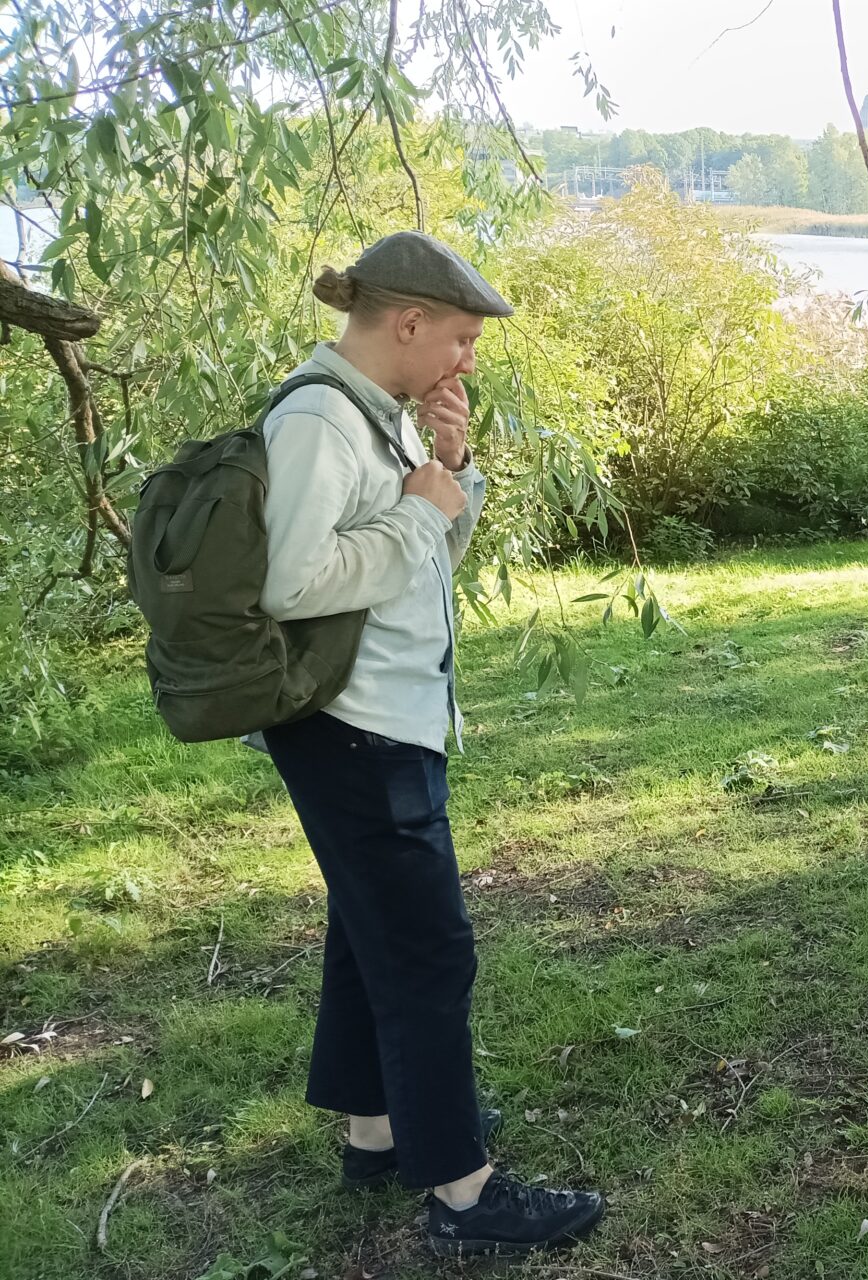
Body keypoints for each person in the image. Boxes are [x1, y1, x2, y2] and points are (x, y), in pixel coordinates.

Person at [258, 232, 604, 1256]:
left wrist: (446, 470)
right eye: (458, 338)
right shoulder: (321, 419)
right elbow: (294, 581)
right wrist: (418, 508)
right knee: (427, 948)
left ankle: (377, 1131)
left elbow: (418, 561)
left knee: (371, 928)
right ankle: (463, 1193)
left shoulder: (380, 419)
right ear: (405, 322)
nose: (466, 359)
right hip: (354, 724)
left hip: (383, 715)